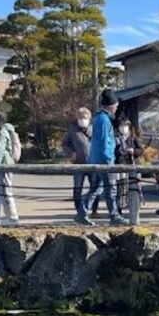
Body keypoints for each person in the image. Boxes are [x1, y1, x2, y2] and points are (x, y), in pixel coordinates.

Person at [77, 89, 124, 226]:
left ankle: (82, 212)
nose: (116, 108)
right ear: (110, 105)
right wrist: (109, 160)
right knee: (111, 188)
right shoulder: (104, 120)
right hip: (104, 160)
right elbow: (104, 142)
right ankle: (114, 216)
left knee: (97, 188)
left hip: (96, 159)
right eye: (115, 105)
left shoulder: (98, 118)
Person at [0, 109, 20, 225]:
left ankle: (12, 217)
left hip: (4, 163)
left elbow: (0, 149)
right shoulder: (4, 129)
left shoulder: (2, 131)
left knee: (5, 190)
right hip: (4, 163)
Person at [62, 107, 93, 215]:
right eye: (80, 118)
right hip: (78, 164)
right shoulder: (72, 130)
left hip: (93, 163)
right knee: (77, 188)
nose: (82, 120)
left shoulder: (94, 129)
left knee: (94, 187)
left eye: (84, 118)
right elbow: (65, 144)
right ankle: (78, 210)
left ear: (89, 118)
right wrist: (71, 153)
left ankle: (94, 210)